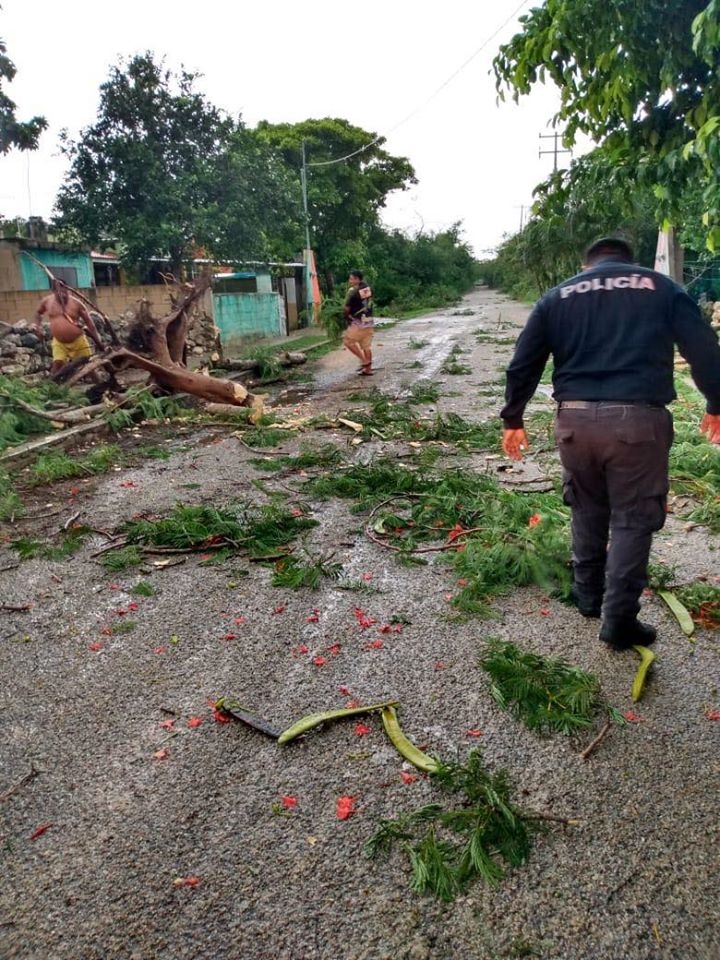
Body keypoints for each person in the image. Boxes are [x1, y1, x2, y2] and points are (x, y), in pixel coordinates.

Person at [500, 236, 720, 650]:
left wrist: (513, 417)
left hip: (574, 423)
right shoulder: (661, 288)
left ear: (587, 265)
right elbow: (704, 349)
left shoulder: (557, 296)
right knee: (633, 520)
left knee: (586, 507)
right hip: (636, 424)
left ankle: (588, 596)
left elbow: (523, 361)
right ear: (627, 261)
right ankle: (618, 621)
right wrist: (716, 402)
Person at [33, 280, 104, 376]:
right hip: (59, 342)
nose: (62, 294)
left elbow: (89, 323)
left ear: (68, 290)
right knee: (57, 364)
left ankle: (98, 387)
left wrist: (98, 341)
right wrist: (38, 327)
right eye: (59, 291)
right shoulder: (47, 302)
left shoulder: (76, 303)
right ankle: (50, 387)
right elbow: (38, 313)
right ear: (54, 292)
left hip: (78, 340)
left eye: (64, 291)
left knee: (88, 365)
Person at [342, 270, 375, 375]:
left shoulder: (353, 291)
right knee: (366, 346)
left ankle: (363, 361)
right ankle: (368, 370)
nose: (350, 281)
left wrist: (346, 316)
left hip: (359, 321)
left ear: (357, 279)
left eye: (351, 278)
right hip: (369, 321)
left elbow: (347, 307)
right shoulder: (367, 288)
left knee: (348, 341)